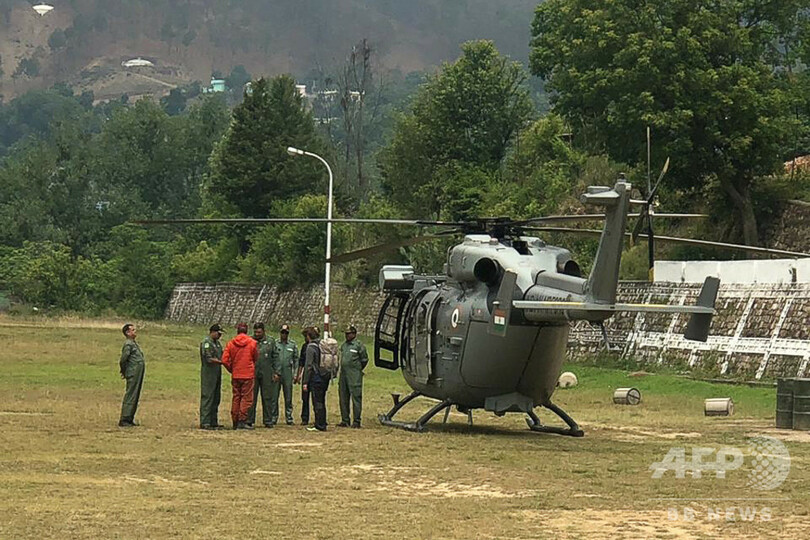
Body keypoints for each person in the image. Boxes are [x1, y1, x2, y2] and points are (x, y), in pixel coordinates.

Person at [222, 322, 259, 430]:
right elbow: (255, 357)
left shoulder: (231, 343)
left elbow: (224, 360)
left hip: (236, 374)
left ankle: (235, 419)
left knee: (236, 397)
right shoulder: (252, 343)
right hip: (248, 374)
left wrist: (231, 369)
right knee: (246, 398)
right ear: (247, 331)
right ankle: (242, 421)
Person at [248, 322, 280, 428]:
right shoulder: (250, 341)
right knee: (252, 396)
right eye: (255, 332)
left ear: (263, 331)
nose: (257, 334)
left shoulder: (270, 341)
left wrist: (277, 372)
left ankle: (268, 419)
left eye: (259, 332)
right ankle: (250, 419)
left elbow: (276, 357)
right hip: (253, 371)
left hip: (267, 371)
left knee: (267, 396)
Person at [337, 325, 369, 428]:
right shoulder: (344, 346)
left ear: (354, 334)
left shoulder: (358, 345)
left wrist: (357, 369)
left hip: (354, 375)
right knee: (343, 397)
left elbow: (364, 359)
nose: (347, 336)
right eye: (346, 334)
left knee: (356, 397)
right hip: (343, 374)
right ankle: (345, 420)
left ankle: (356, 421)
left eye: (349, 334)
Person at [302, 327, 330, 432]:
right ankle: (322, 421)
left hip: (316, 377)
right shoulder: (322, 345)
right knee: (322, 400)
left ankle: (320, 424)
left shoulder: (311, 347)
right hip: (325, 376)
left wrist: (305, 382)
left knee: (317, 401)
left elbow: (308, 365)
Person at [118, 323, 145, 428]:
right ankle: (124, 418)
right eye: (133, 330)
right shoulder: (128, 344)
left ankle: (129, 418)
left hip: (137, 373)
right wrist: (124, 371)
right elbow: (123, 359)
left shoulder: (133, 343)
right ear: (127, 332)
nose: (135, 331)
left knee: (135, 395)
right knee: (131, 395)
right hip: (133, 373)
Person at [199, 324, 225, 430]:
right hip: (208, 373)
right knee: (208, 397)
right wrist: (222, 362)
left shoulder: (217, 344)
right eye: (218, 333)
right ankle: (205, 421)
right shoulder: (207, 343)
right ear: (212, 332)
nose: (219, 336)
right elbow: (208, 359)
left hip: (217, 373)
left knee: (216, 397)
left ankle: (213, 421)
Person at [272, 324, 298, 425]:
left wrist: (295, 374)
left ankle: (289, 417)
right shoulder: (275, 344)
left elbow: (296, 359)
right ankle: (274, 417)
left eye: (286, 333)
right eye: (282, 332)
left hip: (287, 372)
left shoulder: (292, 345)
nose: (284, 335)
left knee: (288, 397)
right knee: (274, 396)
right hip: (277, 372)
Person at [294, 327, 315, 425]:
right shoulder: (304, 347)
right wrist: (299, 375)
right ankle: (305, 418)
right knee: (305, 398)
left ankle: (318, 417)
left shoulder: (316, 346)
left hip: (314, 375)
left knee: (316, 398)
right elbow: (301, 362)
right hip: (306, 374)